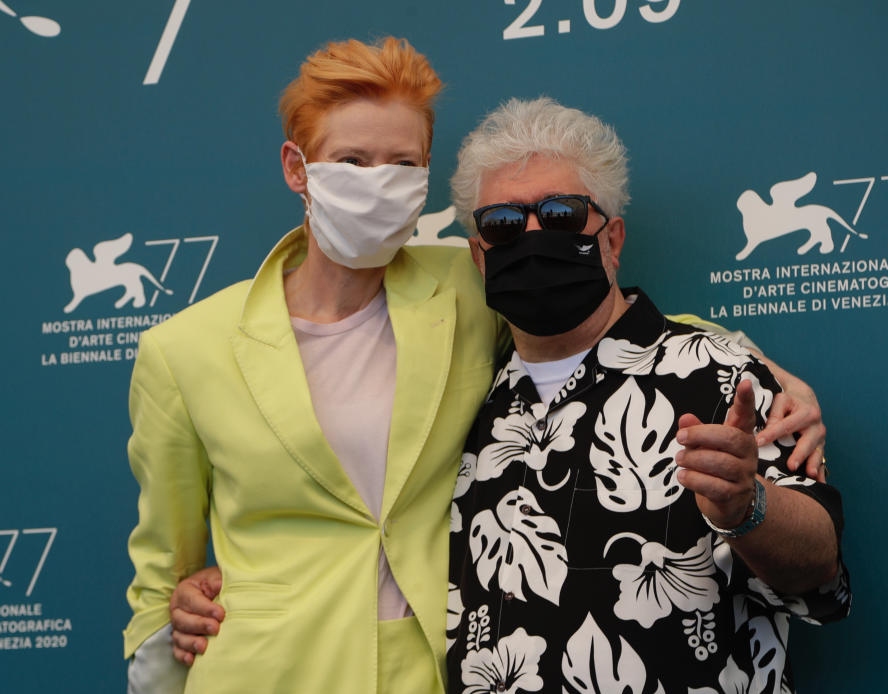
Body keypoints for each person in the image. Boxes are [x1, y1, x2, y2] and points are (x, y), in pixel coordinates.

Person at [130, 41, 828, 693]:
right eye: (351, 161)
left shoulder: (462, 292)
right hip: (268, 671)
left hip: (435, 671)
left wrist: (763, 370)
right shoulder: (185, 349)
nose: (378, 183)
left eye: (402, 165)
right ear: (296, 168)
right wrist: (180, 606)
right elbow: (164, 568)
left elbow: (610, 325)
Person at [443, 98, 851, 693]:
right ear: (480, 257)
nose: (532, 236)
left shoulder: (723, 374)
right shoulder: (467, 408)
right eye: (504, 224)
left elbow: (821, 573)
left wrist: (748, 507)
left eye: (561, 215)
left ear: (611, 239)